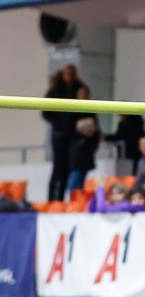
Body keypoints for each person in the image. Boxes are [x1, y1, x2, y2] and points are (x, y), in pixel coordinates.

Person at [42, 65, 86, 201]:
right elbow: (46, 113)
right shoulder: (55, 90)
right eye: (67, 74)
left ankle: (60, 200)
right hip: (59, 133)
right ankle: (52, 200)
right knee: (57, 169)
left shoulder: (78, 88)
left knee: (68, 169)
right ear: (62, 75)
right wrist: (60, 123)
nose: (69, 76)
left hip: (72, 135)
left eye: (72, 74)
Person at [65, 86, 102, 196]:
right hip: (77, 152)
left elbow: (96, 131)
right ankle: (74, 204)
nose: (83, 96)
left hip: (87, 151)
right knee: (75, 181)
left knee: (80, 182)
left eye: (85, 94)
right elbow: (68, 130)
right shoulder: (73, 111)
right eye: (81, 94)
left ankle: (77, 203)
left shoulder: (91, 111)